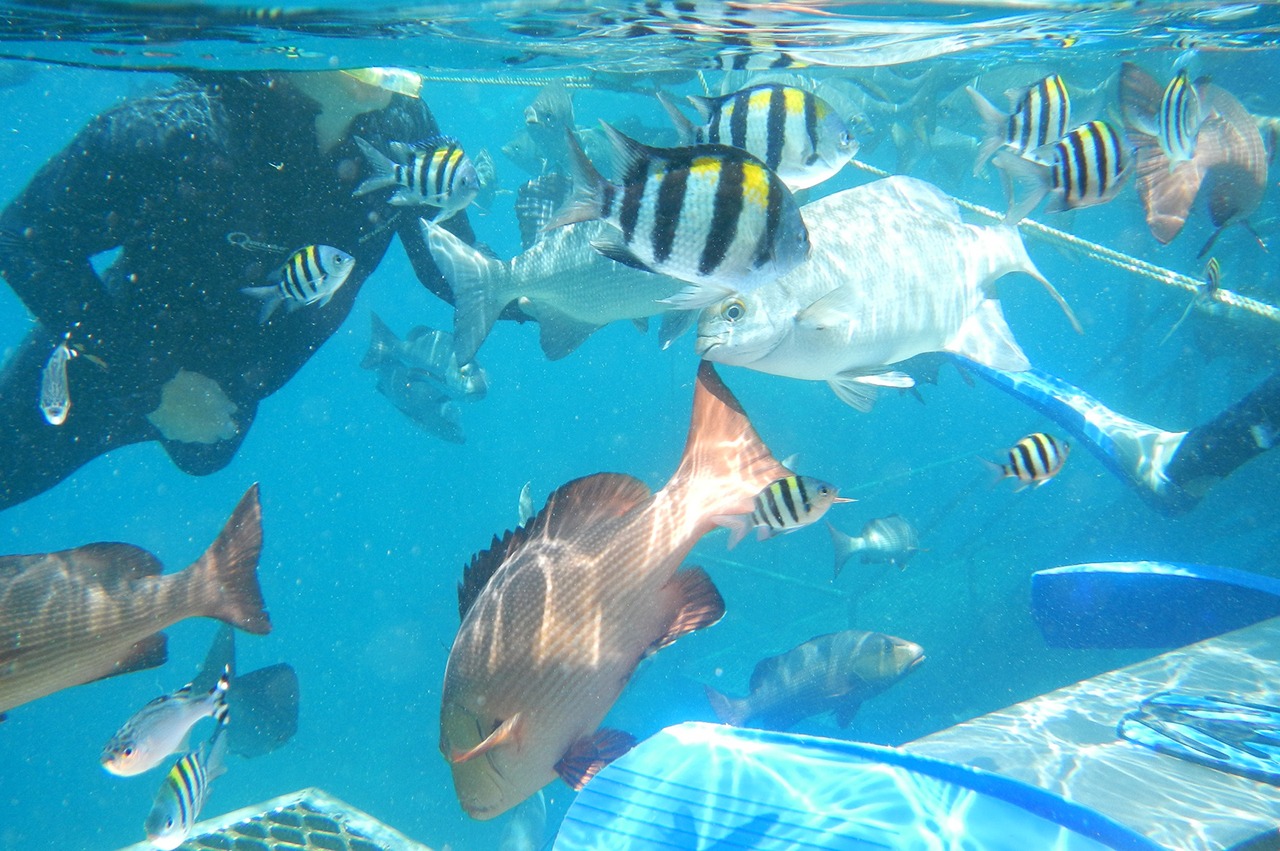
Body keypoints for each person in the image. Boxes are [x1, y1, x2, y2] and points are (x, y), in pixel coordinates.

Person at [0, 70, 490, 510]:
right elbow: (25, 240)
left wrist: (536, 292)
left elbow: (444, 259)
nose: (385, 65)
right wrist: (155, 385)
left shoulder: (402, 124)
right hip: (95, 377)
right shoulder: (180, 130)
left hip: (225, 408)